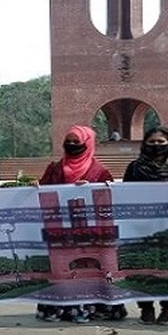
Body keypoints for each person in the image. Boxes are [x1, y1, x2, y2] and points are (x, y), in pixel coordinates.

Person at [35, 125, 115, 323]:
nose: (71, 145)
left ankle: (89, 307)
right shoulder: (54, 169)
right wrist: (35, 188)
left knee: (87, 267)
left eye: (76, 142)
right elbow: (42, 192)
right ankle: (59, 308)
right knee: (61, 269)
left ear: (87, 144)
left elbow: (109, 199)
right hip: (60, 229)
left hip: (89, 230)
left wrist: (93, 189)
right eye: (68, 141)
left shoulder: (99, 172)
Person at [122, 126, 168, 325]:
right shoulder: (134, 168)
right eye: (152, 142)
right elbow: (126, 195)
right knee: (142, 264)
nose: (156, 146)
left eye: (161, 142)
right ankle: (145, 308)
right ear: (144, 144)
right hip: (141, 225)